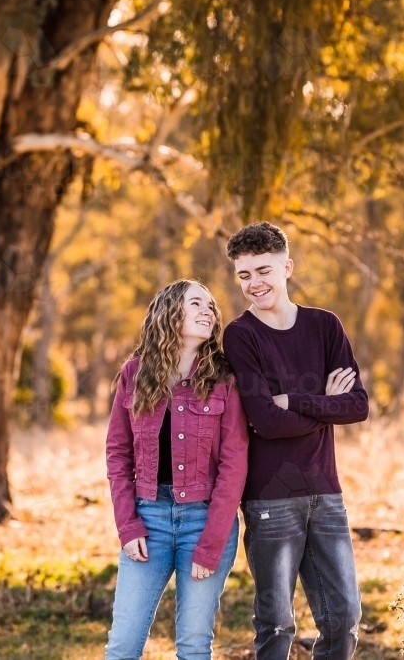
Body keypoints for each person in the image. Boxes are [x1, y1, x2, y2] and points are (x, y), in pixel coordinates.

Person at [222, 222, 369, 659]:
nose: (254, 284)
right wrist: (324, 404)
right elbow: (266, 421)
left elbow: (357, 406)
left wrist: (297, 400)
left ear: (287, 267)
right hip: (270, 499)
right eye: (244, 275)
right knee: (277, 624)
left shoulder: (325, 326)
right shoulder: (240, 334)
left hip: (326, 492)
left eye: (263, 270)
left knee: (343, 618)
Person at [104, 279, 249, 659]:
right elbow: (117, 453)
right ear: (170, 313)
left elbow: (235, 465)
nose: (209, 311)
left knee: (193, 645)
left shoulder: (224, 379)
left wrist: (212, 543)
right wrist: (128, 523)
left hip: (205, 522)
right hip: (146, 520)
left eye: (211, 306)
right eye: (196, 303)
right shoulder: (134, 373)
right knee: (122, 645)